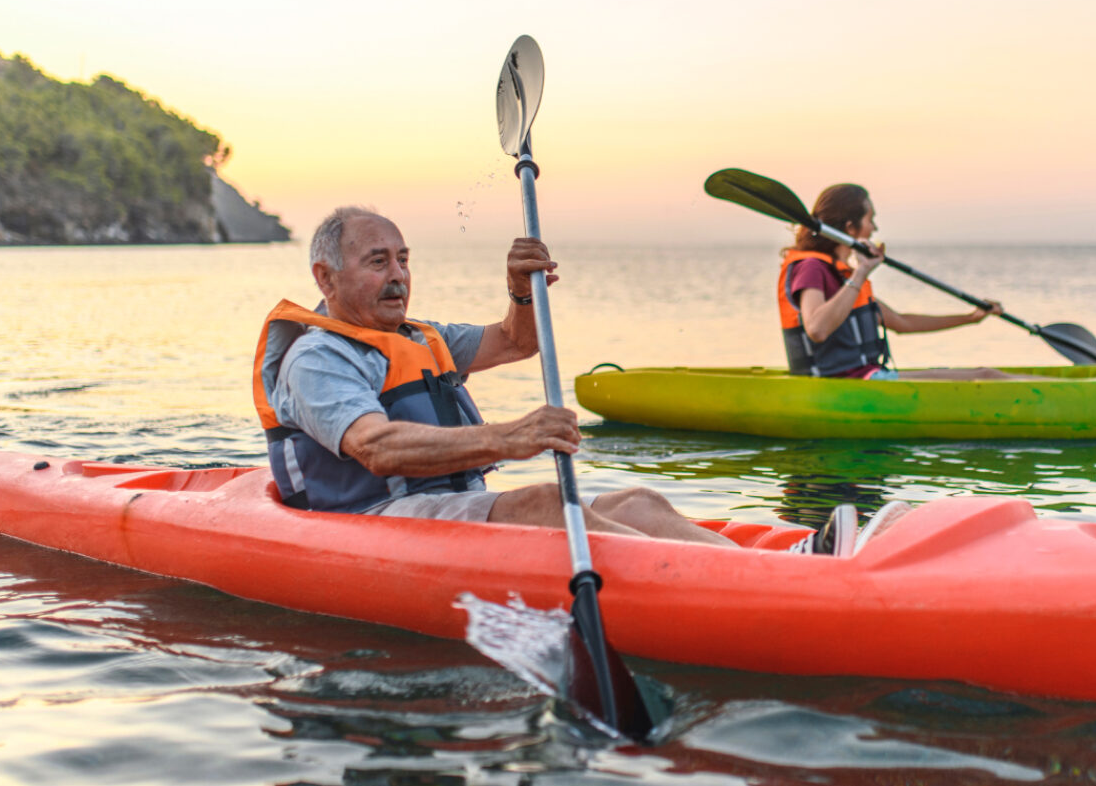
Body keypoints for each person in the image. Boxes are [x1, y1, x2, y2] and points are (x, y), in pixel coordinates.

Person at [254, 207, 883, 554]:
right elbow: (376, 446)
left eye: (404, 259)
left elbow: (517, 342)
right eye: (377, 261)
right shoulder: (318, 359)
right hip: (374, 519)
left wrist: (518, 292)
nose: (398, 275)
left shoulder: (421, 336)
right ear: (326, 278)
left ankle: (775, 566)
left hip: (443, 505)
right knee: (544, 503)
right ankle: (767, 587)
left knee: (639, 502)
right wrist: (507, 438)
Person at [779, 184, 1096, 381]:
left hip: (866, 379)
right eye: (870, 219)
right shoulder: (814, 269)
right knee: (985, 376)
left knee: (983, 373)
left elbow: (902, 323)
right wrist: (862, 272)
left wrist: (969, 317)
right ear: (850, 228)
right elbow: (815, 328)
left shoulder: (843, 275)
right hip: (849, 386)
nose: (875, 227)